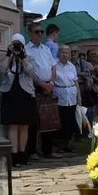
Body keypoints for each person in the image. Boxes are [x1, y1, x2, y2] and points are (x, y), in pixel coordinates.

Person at [0, 33, 36, 166]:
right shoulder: (8, 59)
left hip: (25, 93)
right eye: (14, 44)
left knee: (24, 126)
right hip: (10, 93)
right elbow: (1, 70)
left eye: (19, 44)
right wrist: (9, 54)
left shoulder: (29, 57)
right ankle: (14, 156)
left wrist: (23, 57)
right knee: (13, 125)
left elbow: (30, 72)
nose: (17, 47)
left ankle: (23, 154)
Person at [24, 21, 57, 158]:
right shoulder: (26, 50)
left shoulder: (46, 49)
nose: (39, 34)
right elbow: (29, 71)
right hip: (35, 86)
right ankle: (32, 151)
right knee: (34, 120)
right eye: (36, 32)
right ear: (30, 33)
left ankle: (48, 150)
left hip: (49, 85)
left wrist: (51, 83)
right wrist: (42, 85)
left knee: (49, 119)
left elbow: (53, 66)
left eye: (41, 32)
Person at [52, 45, 82, 151]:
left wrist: (79, 97)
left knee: (71, 119)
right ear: (58, 53)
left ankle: (69, 144)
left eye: (66, 53)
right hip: (59, 95)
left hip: (71, 95)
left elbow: (76, 82)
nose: (64, 55)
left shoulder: (71, 66)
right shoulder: (54, 65)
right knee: (61, 120)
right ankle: (60, 144)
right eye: (62, 52)